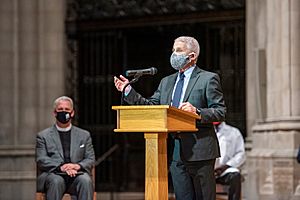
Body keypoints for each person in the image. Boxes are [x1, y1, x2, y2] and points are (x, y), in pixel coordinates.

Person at [114, 36, 226, 200]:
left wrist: (198, 112)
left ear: (192, 55)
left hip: (200, 151)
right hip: (175, 151)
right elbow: (152, 107)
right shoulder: (166, 82)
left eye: (179, 50)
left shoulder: (208, 79)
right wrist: (128, 91)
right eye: (173, 50)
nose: (174, 54)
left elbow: (220, 111)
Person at [36, 96, 95, 200]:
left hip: (77, 175)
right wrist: (61, 167)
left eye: (67, 110)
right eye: (60, 110)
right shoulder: (43, 136)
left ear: (72, 113)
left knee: (85, 180)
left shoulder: (84, 135)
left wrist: (77, 166)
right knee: (56, 181)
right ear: (55, 113)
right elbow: (41, 159)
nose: (64, 112)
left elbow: (90, 159)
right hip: (54, 175)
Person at [213, 121, 246, 200]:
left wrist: (226, 166)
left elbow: (240, 154)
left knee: (235, 175)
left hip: (224, 170)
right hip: (207, 170)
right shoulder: (203, 132)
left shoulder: (234, 132)